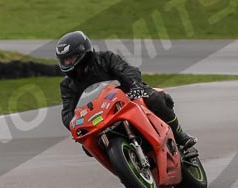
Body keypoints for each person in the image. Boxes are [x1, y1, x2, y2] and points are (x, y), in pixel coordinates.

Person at [56, 30, 199, 158]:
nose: (67, 63)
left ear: (83, 53)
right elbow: (67, 112)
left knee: (155, 99)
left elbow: (127, 70)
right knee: (89, 147)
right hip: (99, 115)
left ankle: (179, 136)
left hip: (128, 96)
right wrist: (74, 126)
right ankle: (123, 165)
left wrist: (135, 86)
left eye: (71, 58)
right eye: (64, 60)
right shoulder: (67, 85)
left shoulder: (106, 58)